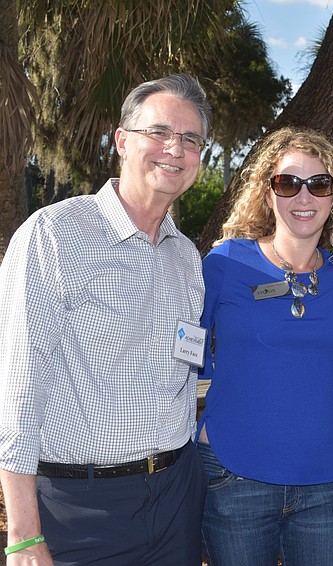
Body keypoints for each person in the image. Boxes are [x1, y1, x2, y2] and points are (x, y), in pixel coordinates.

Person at [0, 74, 210, 565]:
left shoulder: (187, 258)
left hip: (177, 499)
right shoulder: (53, 237)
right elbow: (16, 392)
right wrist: (24, 535)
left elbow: (185, 368)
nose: (173, 149)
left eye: (189, 139)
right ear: (121, 141)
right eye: (158, 133)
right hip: (81, 508)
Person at [196, 127, 333, 565]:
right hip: (234, 476)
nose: (303, 198)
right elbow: (185, 351)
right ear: (268, 194)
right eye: (288, 183)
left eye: (319, 184)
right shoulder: (226, 262)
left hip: (323, 485)